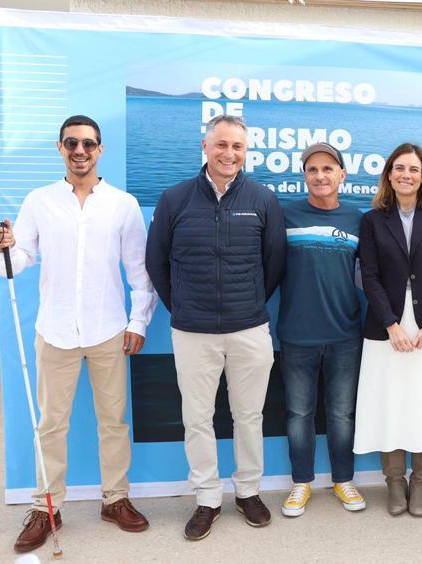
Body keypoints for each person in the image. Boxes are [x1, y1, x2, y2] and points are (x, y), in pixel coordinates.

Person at [0, 115, 156, 553]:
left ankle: (115, 499)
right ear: (60, 148)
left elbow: (139, 272)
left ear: (100, 150)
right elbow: (21, 257)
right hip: (56, 329)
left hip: (107, 330)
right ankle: (47, 507)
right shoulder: (39, 201)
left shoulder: (122, 204)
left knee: (114, 422)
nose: (79, 150)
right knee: (50, 424)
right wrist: (6, 247)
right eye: (71, 143)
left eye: (88, 143)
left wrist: (138, 321)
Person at [145, 114, 286, 540]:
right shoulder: (175, 199)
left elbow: (274, 263)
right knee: (197, 418)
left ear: (246, 153)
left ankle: (247, 492)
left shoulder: (263, 199)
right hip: (193, 331)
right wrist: (184, 306)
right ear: (205, 148)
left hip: (249, 330)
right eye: (221, 145)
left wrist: (247, 304)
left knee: (249, 415)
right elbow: (157, 262)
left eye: (238, 147)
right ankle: (207, 498)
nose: (229, 154)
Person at [352, 143, 422, 518]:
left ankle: (419, 483)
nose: (406, 175)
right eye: (399, 168)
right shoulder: (372, 221)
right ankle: (394, 481)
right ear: (389, 175)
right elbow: (369, 275)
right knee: (390, 405)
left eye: (413, 169)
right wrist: (391, 324)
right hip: (387, 328)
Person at [277, 143, 365, 517]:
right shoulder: (284, 216)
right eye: (312, 169)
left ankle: (343, 480)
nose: (320, 175)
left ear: (342, 175)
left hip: (345, 334)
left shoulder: (358, 220)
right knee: (299, 415)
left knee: (342, 415)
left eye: (328, 168)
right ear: (304, 175)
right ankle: (302, 483)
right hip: (296, 335)